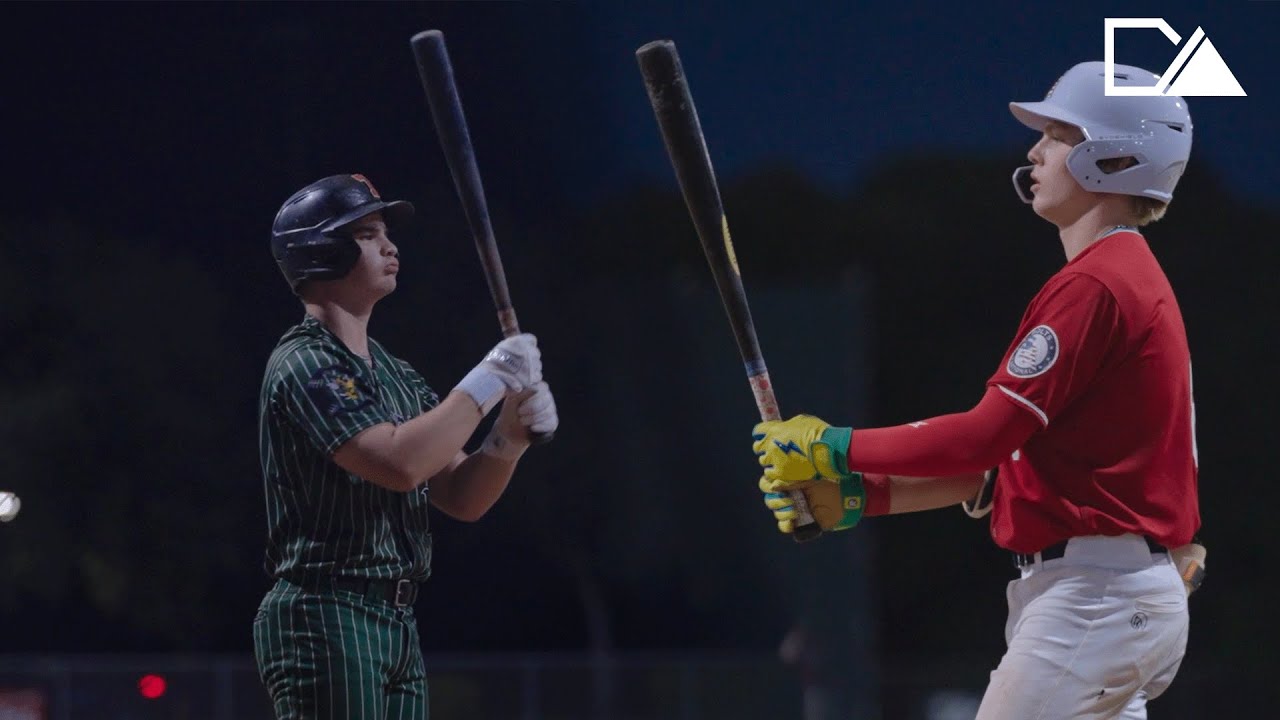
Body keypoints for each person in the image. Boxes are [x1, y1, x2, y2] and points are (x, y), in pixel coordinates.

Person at [751, 62, 1205, 718]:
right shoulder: (1122, 276)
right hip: (1110, 596)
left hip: (1095, 599)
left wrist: (832, 446)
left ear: (1114, 159)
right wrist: (860, 496)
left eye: (1057, 135)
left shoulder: (1097, 284)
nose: (1035, 151)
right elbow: (999, 471)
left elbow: (983, 437)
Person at [252, 174, 558, 719]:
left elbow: (461, 496)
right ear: (321, 251)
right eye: (368, 234)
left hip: (394, 619)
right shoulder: (306, 361)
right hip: (326, 610)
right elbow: (399, 463)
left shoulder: (397, 375)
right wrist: (489, 380)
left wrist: (508, 438)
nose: (390, 247)